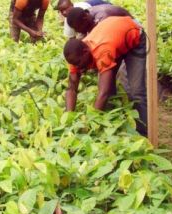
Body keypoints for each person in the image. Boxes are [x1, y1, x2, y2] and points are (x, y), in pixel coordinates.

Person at [63, 8, 147, 136]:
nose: (78, 68)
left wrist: (90, 126)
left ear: (86, 52)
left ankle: (144, 131)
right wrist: (69, 117)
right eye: (75, 65)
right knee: (110, 86)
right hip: (114, 38)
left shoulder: (102, 51)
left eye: (79, 64)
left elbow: (103, 93)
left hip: (134, 36)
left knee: (136, 91)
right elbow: (71, 88)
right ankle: (114, 120)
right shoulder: (75, 56)